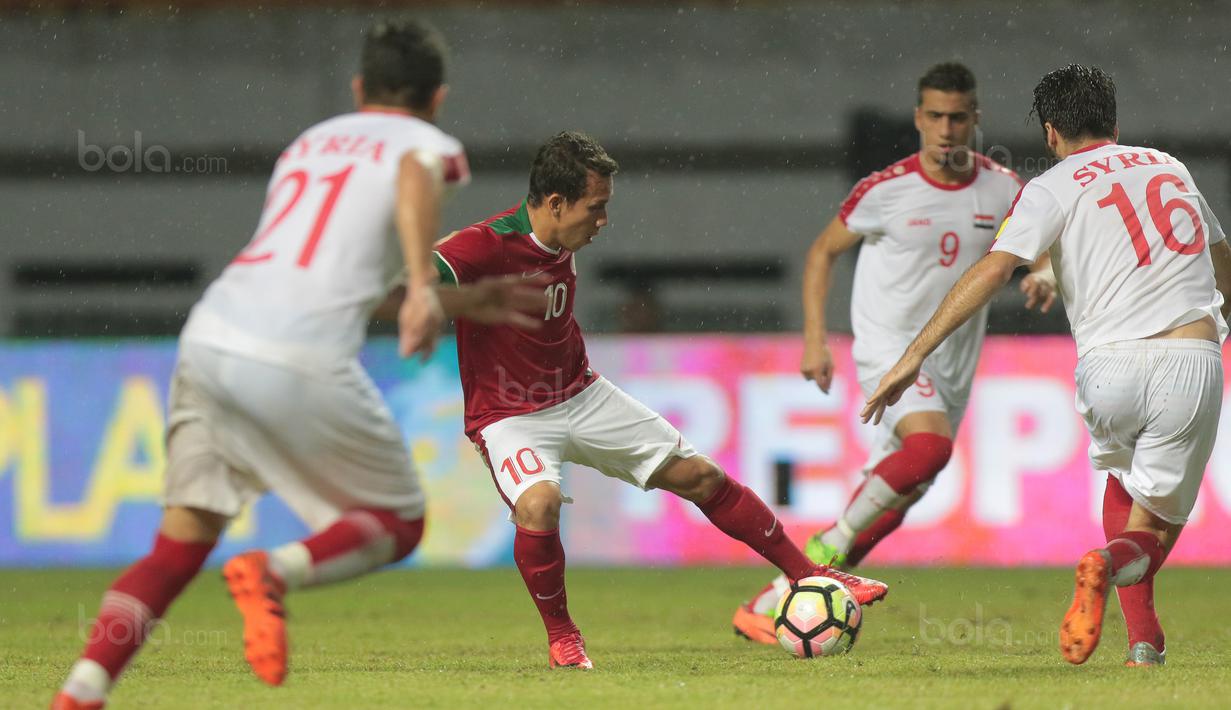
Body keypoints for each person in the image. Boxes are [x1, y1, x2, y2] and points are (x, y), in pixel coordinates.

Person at [52, 20, 548, 709]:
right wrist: (424, 285)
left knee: (180, 544)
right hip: (295, 354)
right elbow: (413, 169)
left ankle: (80, 691)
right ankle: (274, 573)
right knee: (399, 520)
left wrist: (451, 299)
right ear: (437, 98)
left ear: (357, 88)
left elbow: (330, 276)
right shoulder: (426, 145)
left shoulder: (307, 146)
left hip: (211, 336)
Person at [432, 131, 889, 670]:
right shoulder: (482, 245)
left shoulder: (559, 240)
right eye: (595, 209)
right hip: (509, 416)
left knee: (702, 477)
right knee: (538, 505)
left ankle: (810, 575)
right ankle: (563, 638)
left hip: (581, 393)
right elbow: (414, 280)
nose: (603, 222)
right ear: (555, 204)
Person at [861, 64, 1231, 667]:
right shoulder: (1170, 167)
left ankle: (1144, 645)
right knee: (1154, 528)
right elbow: (1218, 257)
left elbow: (990, 270)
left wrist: (913, 354)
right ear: (1115, 121)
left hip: (1107, 370)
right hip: (1188, 358)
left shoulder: (1051, 185)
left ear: (1051, 132)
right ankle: (1107, 568)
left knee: (1120, 482)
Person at [731, 62, 1055, 644]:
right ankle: (827, 545)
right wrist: (813, 337)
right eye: (935, 115)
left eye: (958, 116)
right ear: (918, 118)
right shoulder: (885, 190)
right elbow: (822, 253)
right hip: (890, 348)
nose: (947, 128)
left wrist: (1047, 274)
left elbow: (1042, 246)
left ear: (975, 119)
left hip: (955, 362)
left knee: (908, 492)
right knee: (929, 448)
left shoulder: (1006, 187)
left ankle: (769, 602)